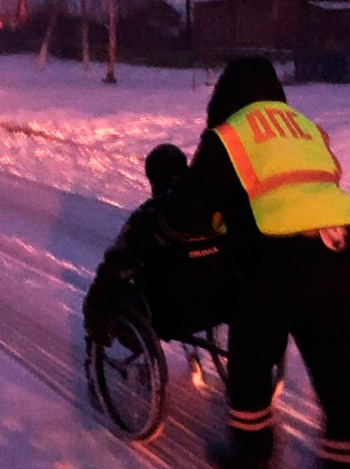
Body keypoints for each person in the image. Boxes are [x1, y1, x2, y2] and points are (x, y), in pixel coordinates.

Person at [182, 57, 350, 469]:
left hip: (280, 262)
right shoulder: (304, 127)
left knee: (251, 354)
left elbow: (192, 210)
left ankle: (253, 453)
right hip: (341, 248)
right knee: (336, 367)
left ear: (224, 95)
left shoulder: (229, 134)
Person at [82, 143, 236, 348]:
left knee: (118, 294)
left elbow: (116, 266)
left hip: (169, 315)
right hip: (222, 303)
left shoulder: (151, 214)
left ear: (152, 178)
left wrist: (94, 310)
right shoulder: (217, 207)